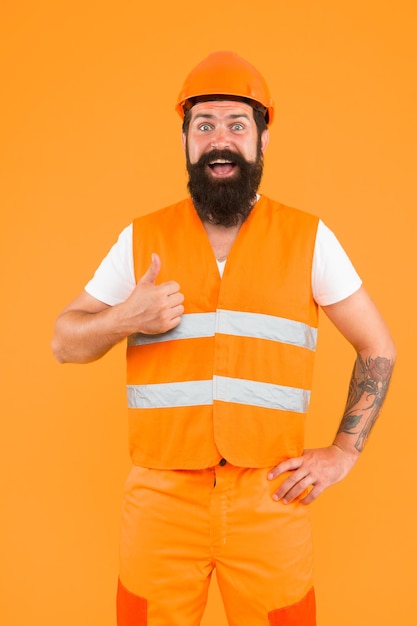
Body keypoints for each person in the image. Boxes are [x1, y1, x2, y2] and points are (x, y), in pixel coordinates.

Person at [52, 51, 396, 626]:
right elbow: (65, 341)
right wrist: (123, 318)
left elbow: (378, 346)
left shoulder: (309, 239)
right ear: (185, 140)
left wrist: (343, 452)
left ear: (263, 140)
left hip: (269, 497)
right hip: (159, 501)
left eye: (238, 125)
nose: (220, 140)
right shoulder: (142, 239)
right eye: (203, 125)